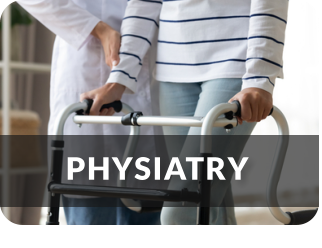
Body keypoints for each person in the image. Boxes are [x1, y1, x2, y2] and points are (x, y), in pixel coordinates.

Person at [82, 0, 289, 225]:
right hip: (173, 72)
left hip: (236, 63)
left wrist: (259, 78)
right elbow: (143, 4)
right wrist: (118, 80)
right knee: (210, 203)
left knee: (182, 211)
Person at [16, 0, 161, 225]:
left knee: (146, 202)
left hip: (144, 58)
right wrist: (97, 28)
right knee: (89, 205)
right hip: (82, 59)